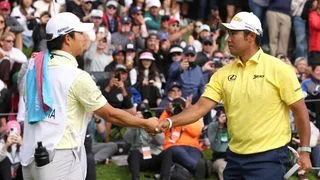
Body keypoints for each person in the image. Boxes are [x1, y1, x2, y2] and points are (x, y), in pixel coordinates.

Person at [157, 11, 312, 179]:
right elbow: (200, 108)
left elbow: (299, 111)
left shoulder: (279, 69)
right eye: (228, 33)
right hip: (235, 158)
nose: (228, 38)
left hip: (269, 158)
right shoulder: (222, 74)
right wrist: (169, 121)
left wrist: (304, 151)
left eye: (234, 33)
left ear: (251, 36)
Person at [20, 12, 159, 180]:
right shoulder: (76, 76)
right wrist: (145, 123)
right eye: (80, 33)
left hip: (30, 158)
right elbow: (110, 114)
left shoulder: (31, 70)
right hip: (60, 158)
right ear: (68, 39)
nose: (85, 38)